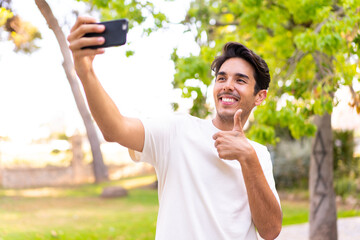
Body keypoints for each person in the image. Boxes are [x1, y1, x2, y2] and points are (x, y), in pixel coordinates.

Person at [67, 16, 282, 240]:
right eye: (221, 78)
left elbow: (270, 230)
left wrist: (247, 158)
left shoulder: (258, 155)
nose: (227, 85)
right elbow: (115, 129)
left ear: (260, 96)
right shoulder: (177, 131)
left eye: (240, 80)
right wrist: (85, 72)